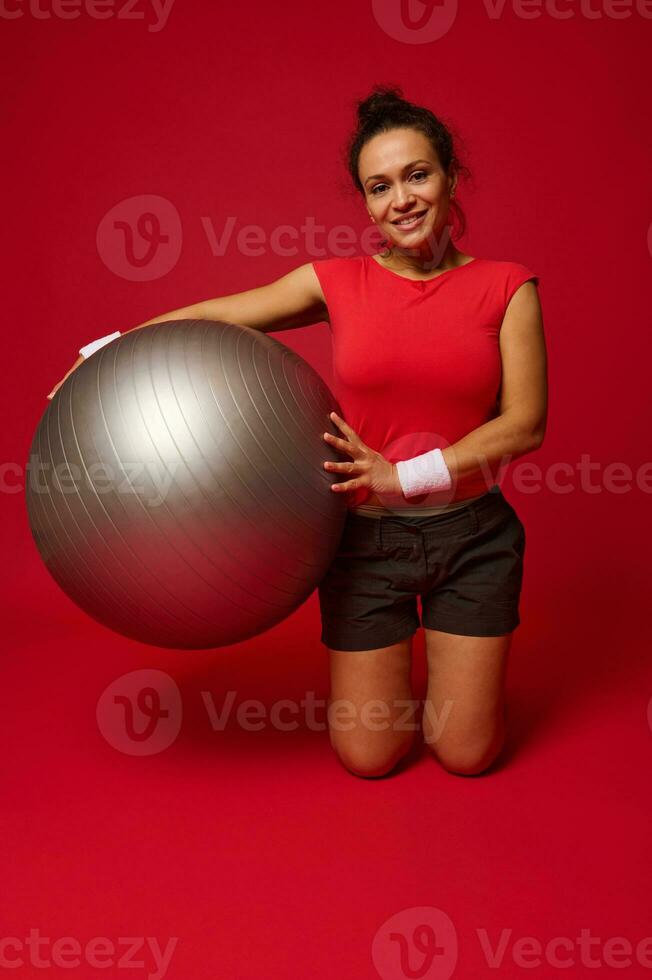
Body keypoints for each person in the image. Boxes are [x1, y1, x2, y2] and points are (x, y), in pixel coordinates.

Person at [47, 85, 547, 782]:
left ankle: (464, 688)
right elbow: (217, 315)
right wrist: (108, 349)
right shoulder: (336, 282)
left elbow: (524, 425)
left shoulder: (508, 287)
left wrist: (404, 476)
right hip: (364, 543)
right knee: (369, 756)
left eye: (417, 175)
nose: (399, 199)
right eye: (378, 186)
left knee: (467, 755)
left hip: (474, 538)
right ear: (366, 201)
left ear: (451, 177)